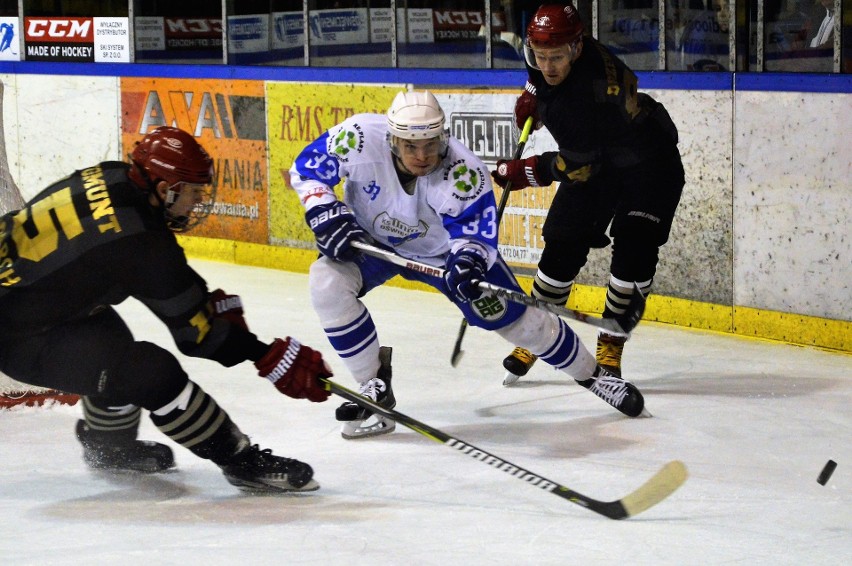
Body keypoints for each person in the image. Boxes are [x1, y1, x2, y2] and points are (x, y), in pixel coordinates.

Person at [289, 90, 647, 440]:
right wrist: (322, 208)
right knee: (326, 284)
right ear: (392, 139)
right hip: (373, 241)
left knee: (525, 325)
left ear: (442, 135)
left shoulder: (463, 172)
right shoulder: (359, 136)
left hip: (444, 254)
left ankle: (594, 376)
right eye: (411, 146)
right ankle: (373, 386)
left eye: (430, 143)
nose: (423, 155)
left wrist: (467, 262)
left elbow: (474, 238)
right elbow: (307, 168)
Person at [0, 126, 332, 493]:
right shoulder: (141, 242)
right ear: (163, 189)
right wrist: (266, 354)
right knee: (150, 372)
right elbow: (198, 337)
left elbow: (134, 262)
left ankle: (111, 448)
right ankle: (241, 462)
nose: (197, 202)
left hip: (34, 307)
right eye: (192, 192)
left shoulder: (109, 174)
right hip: (19, 338)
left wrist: (198, 300)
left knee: (111, 343)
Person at [494, 5, 684, 386]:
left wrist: (525, 171)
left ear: (577, 49)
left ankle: (611, 344)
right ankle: (539, 333)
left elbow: (578, 165)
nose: (548, 65)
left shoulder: (581, 97)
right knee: (563, 240)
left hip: (649, 161)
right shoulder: (566, 46)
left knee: (635, 250)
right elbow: (543, 65)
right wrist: (533, 88)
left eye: (557, 57)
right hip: (601, 154)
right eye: (539, 56)